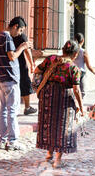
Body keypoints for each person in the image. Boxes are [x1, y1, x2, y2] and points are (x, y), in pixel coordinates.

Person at [34, 40, 84, 168]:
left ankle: (49, 155)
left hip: (47, 96)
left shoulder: (51, 59)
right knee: (62, 127)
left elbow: (36, 70)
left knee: (48, 125)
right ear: (75, 54)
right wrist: (81, 107)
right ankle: (57, 160)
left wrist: (37, 87)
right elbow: (76, 89)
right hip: (63, 99)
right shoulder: (73, 68)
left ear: (63, 50)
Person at [0, 17, 30, 151]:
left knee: (4, 110)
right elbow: (12, 56)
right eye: (20, 30)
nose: (20, 33)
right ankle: (12, 141)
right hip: (10, 79)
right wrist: (22, 46)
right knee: (12, 111)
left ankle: (2, 140)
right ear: (15, 26)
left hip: (2, 78)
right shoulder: (7, 37)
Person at [13, 32, 37, 115]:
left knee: (14, 85)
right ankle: (27, 107)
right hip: (21, 64)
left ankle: (14, 107)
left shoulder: (8, 36)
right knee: (25, 84)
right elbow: (27, 50)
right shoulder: (21, 36)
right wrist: (31, 64)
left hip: (11, 64)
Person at [73, 33, 95, 98]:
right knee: (82, 92)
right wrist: (94, 72)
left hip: (72, 72)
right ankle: (79, 104)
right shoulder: (83, 51)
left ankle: (75, 104)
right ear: (83, 40)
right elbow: (88, 65)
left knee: (73, 90)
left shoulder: (71, 50)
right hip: (81, 73)